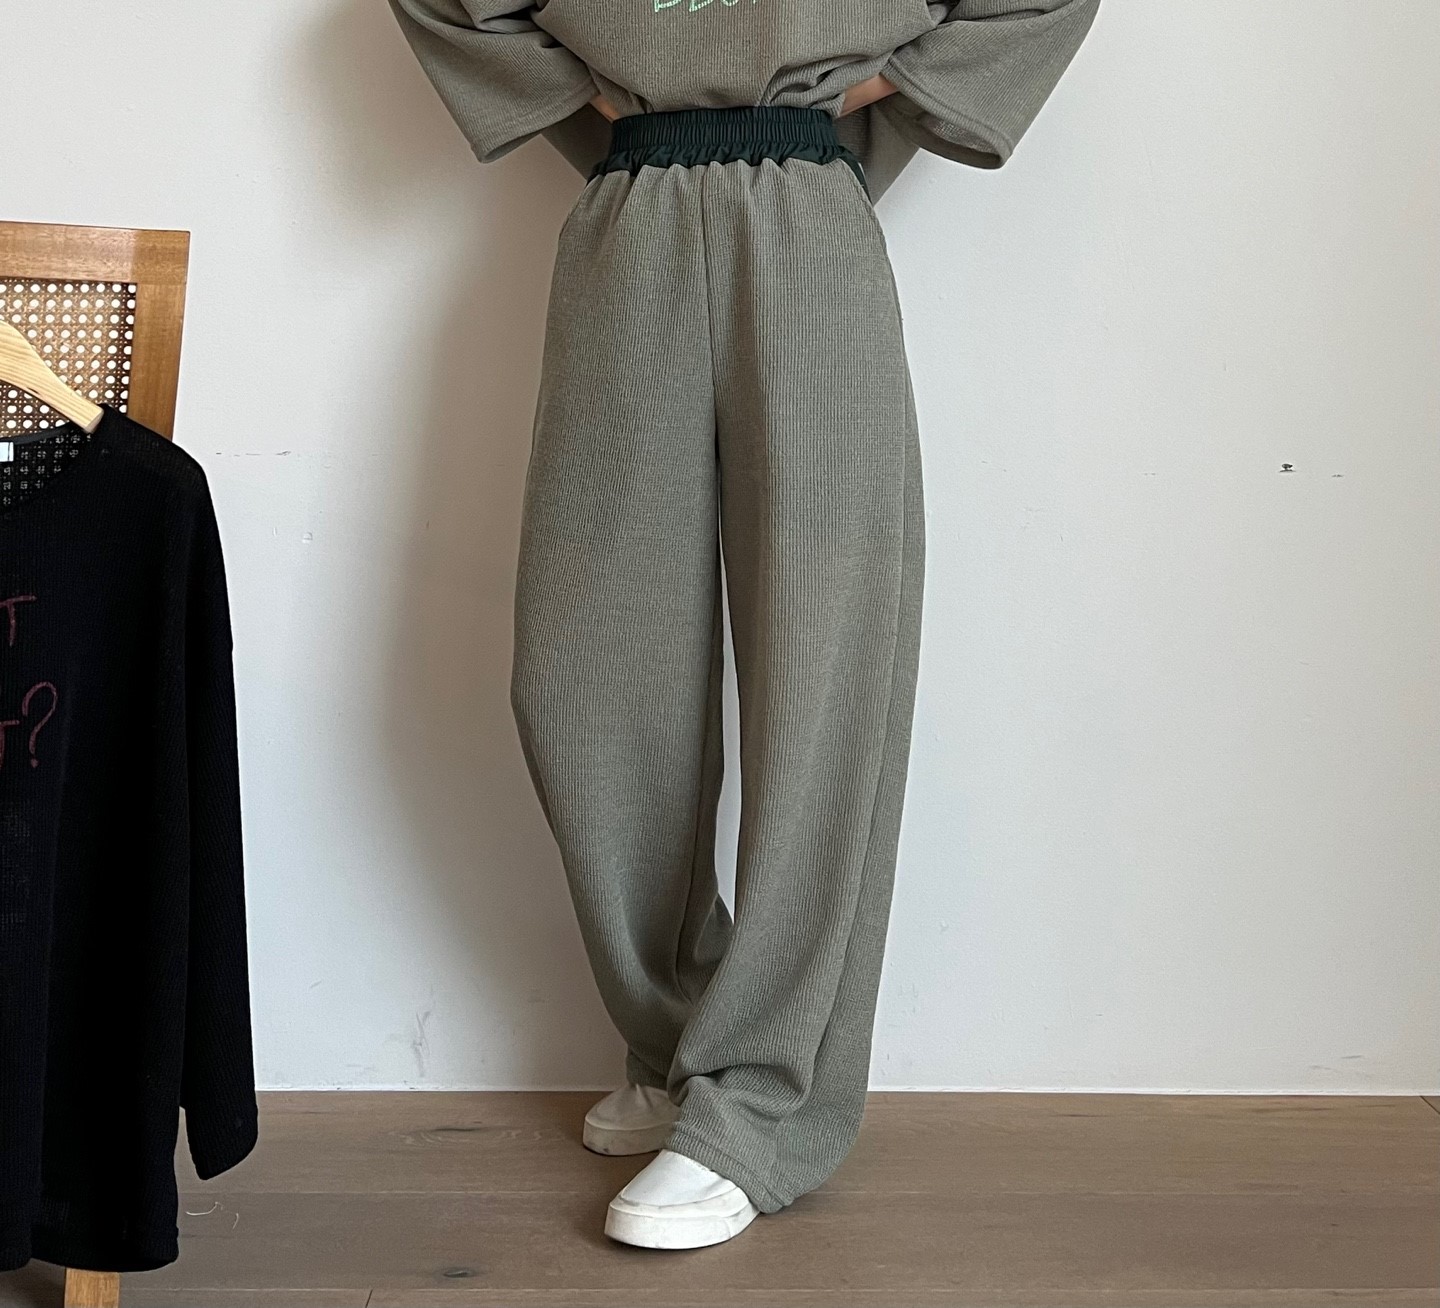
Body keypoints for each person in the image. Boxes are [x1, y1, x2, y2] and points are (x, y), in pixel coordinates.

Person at [388, 0, 1101, 1250]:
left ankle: (761, 1107)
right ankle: (679, 1042)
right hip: (632, 215)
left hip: (809, 216)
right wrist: (604, 100)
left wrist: (863, 94)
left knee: (824, 674)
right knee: (581, 673)